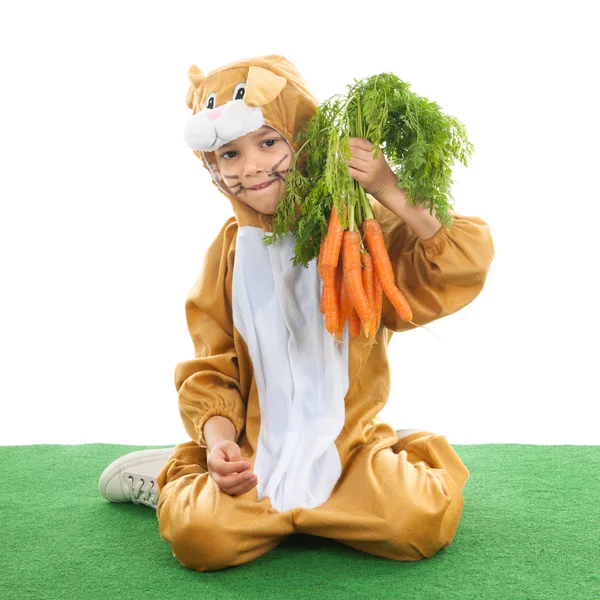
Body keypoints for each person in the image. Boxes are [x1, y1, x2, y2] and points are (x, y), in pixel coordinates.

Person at [99, 54, 495, 572]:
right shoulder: (230, 253)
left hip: (347, 452)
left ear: (302, 138)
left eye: (268, 142)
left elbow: (457, 262)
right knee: (201, 542)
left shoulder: (356, 225)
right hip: (257, 458)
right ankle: (180, 475)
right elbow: (212, 365)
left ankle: (390, 461)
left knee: (415, 524)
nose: (251, 167)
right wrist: (222, 446)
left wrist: (389, 188)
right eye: (229, 155)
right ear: (211, 168)